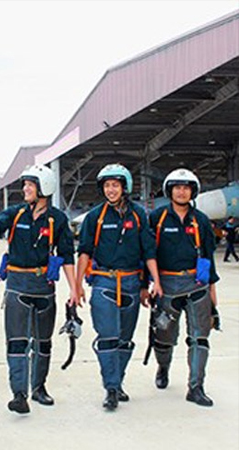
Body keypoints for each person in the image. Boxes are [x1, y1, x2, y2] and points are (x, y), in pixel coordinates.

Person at [0, 164, 77, 414]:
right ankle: (19, 394)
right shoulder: (16, 213)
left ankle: (39, 388)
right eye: (25, 184)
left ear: (44, 187)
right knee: (17, 342)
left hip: (44, 288)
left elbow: (66, 256)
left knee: (43, 343)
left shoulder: (58, 219)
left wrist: (74, 289)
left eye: (30, 184)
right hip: (17, 286)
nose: (25, 189)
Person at [75, 163, 162, 411]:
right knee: (108, 337)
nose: (110, 190)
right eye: (107, 186)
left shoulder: (139, 215)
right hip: (104, 281)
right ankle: (111, 388)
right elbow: (84, 252)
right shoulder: (95, 217)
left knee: (125, 340)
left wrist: (154, 282)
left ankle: (117, 382)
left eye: (115, 185)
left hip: (132, 283)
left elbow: (148, 251)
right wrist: (77, 286)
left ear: (125, 187)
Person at [149, 168, 219, 406]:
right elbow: (147, 253)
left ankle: (196, 387)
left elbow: (208, 256)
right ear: (170, 191)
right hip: (167, 287)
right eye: (177, 188)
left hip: (196, 286)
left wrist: (212, 293)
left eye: (186, 188)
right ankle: (163, 367)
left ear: (192, 191)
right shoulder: (157, 218)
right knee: (164, 337)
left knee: (200, 338)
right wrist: (148, 284)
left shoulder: (201, 220)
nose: (181, 192)